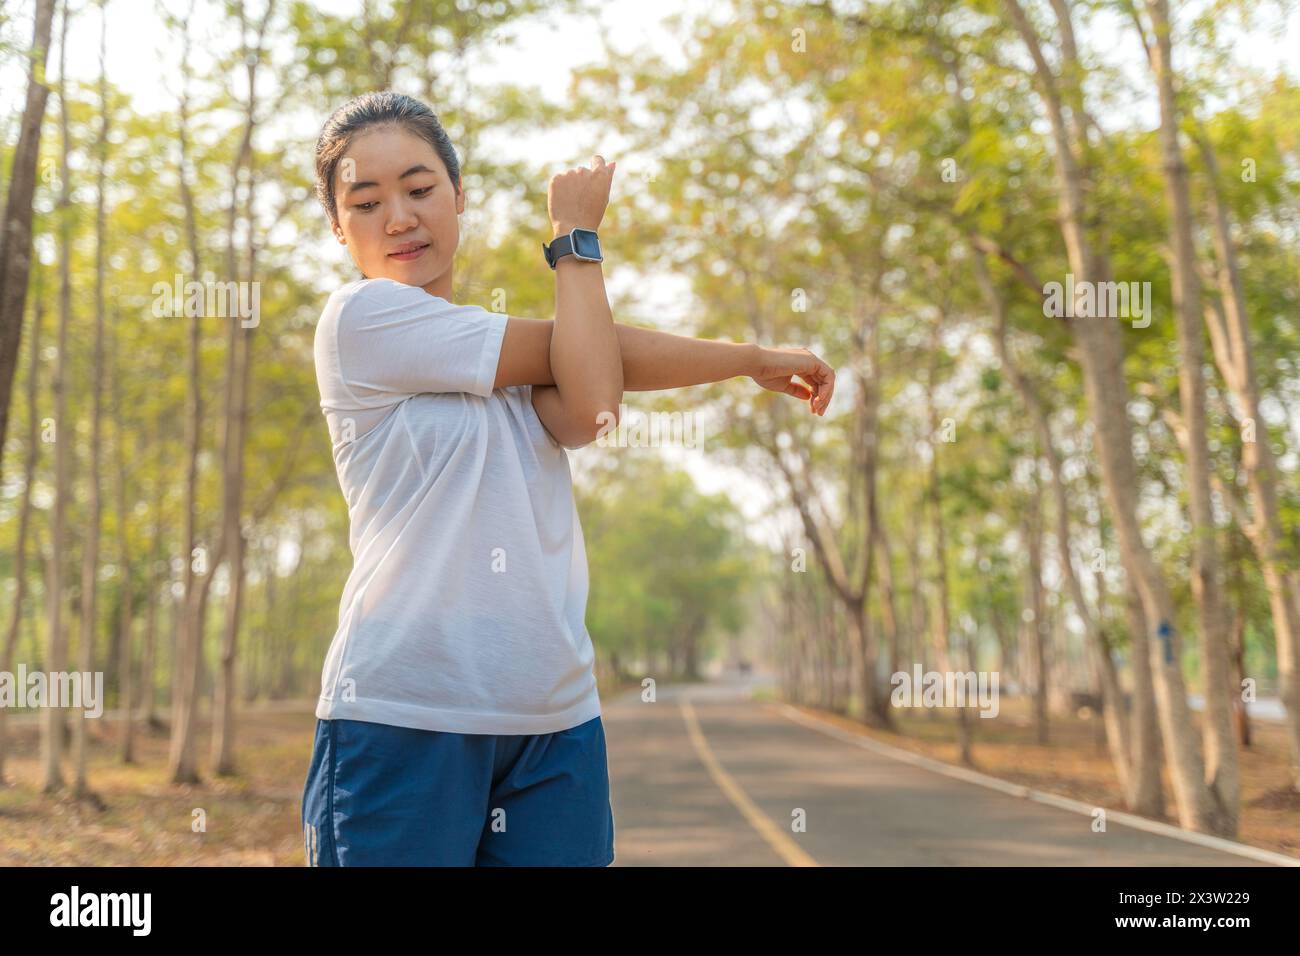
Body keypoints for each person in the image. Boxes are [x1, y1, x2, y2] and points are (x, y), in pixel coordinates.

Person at [300, 90, 835, 867]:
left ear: (459, 196)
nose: (400, 217)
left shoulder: (504, 352)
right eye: (367, 200)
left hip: (553, 721)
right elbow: (578, 352)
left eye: (420, 189)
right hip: (402, 716)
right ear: (338, 226)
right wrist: (574, 238)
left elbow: (592, 396)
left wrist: (750, 360)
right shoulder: (360, 322)